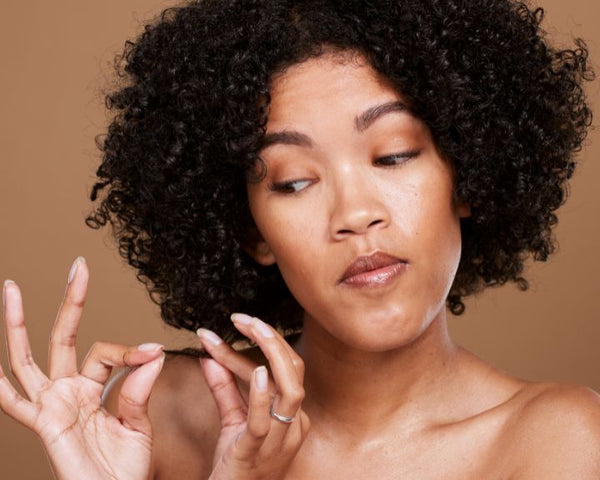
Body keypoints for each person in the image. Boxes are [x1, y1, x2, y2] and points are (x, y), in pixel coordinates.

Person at [1, 0, 599, 478]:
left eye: (392, 155)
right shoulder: (166, 416)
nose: (355, 214)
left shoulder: (560, 442)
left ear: (467, 176)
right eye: (292, 182)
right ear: (251, 231)